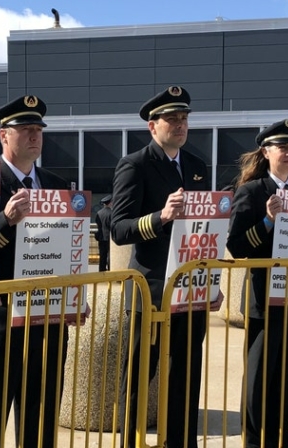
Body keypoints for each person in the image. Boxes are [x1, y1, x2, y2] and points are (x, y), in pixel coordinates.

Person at [0, 95, 71, 448]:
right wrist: (5, 221)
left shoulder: (56, 183)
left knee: (40, 418)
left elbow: (67, 249)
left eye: (38, 129)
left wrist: (74, 296)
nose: (35, 136)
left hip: (48, 319)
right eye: (25, 129)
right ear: (3, 136)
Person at [111, 86, 210, 448]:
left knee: (186, 373)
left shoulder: (197, 166)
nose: (180, 125)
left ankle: (180, 442)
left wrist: (210, 284)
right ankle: (131, 442)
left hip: (190, 287)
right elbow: (118, 228)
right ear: (153, 127)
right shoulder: (135, 164)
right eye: (172, 119)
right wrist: (161, 216)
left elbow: (204, 231)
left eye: (184, 118)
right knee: (139, 373)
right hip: (150, 289)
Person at [226, 119, 288, 448]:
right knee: (260, 376)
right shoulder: (253, 191)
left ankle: (281, 437)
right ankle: (255, 441)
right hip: (264, 297)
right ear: (266, 152)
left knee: (286, 374)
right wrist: (268, 220)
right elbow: (237, 246)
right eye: (282, 147)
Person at [94, 195, 113, 272]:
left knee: (102, 255)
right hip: (109, 237)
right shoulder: (111, 213)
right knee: (109, 255)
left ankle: (101, 270)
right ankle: (110, 269)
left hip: (101, 237)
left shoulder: (99, 213)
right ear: (110, 203)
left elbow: (97, 223)